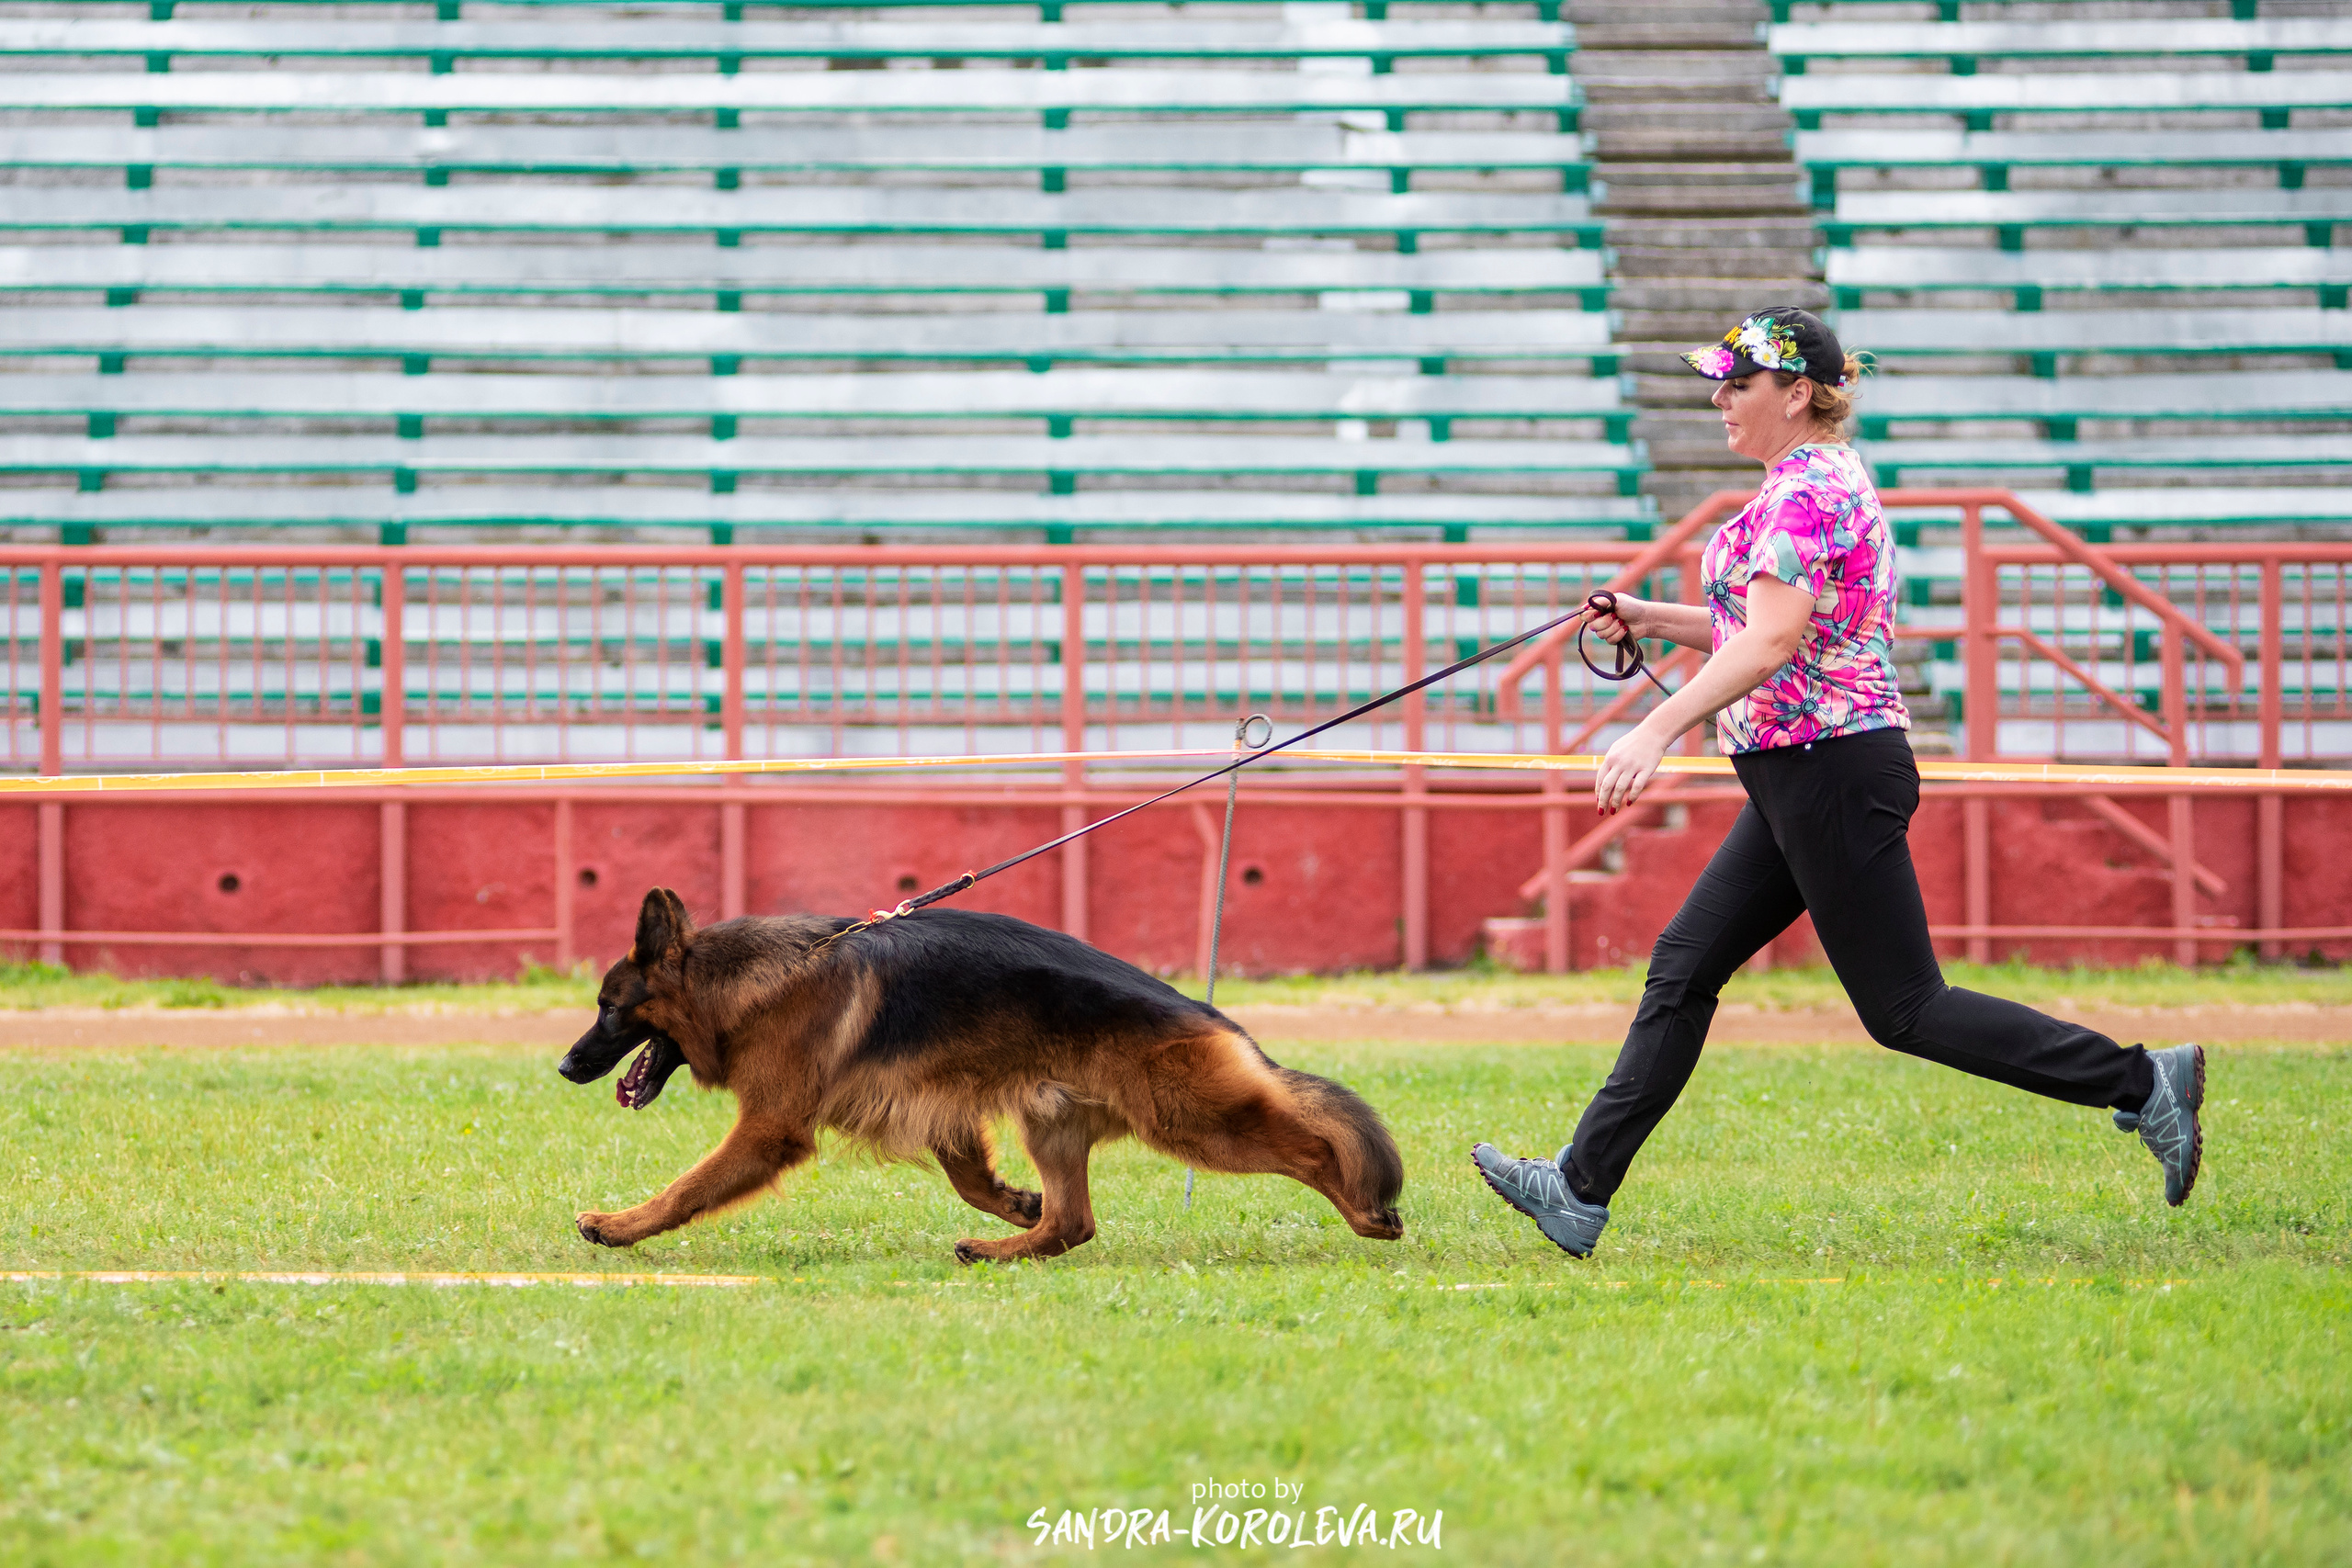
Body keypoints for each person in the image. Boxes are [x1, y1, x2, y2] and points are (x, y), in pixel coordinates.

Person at [1470, 307, 2204, 1258]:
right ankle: (1577, 1189)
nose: (1719, 398)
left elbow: (1774, 641)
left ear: (1799, 393)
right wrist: (1651, 615)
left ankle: (2143, 1083)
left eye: (1739, 384)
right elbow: (1767, 624)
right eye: (1719, 382)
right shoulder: (1805, 484)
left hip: (1829, 768)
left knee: (1904, 1008)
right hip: (1800, 772)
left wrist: (1653, 726)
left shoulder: (1804, 493)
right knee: (1684, 966)